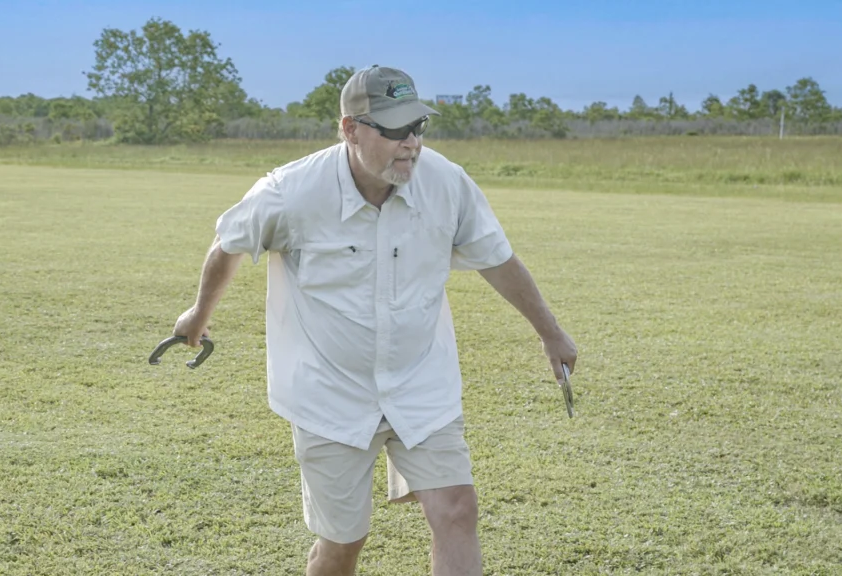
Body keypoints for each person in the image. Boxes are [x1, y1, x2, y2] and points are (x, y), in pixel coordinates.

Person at [172, 64, 577, 576]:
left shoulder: (447, 183)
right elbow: (228, 244)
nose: (410, 143)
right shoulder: (291, 191)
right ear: (350, 128)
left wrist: (550, 332)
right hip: (329, 394)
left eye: (417, 127)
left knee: (457, 510)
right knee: (343, 543)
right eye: (393, 130)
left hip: (419, 384)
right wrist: (198, 314)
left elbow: (497, 260)